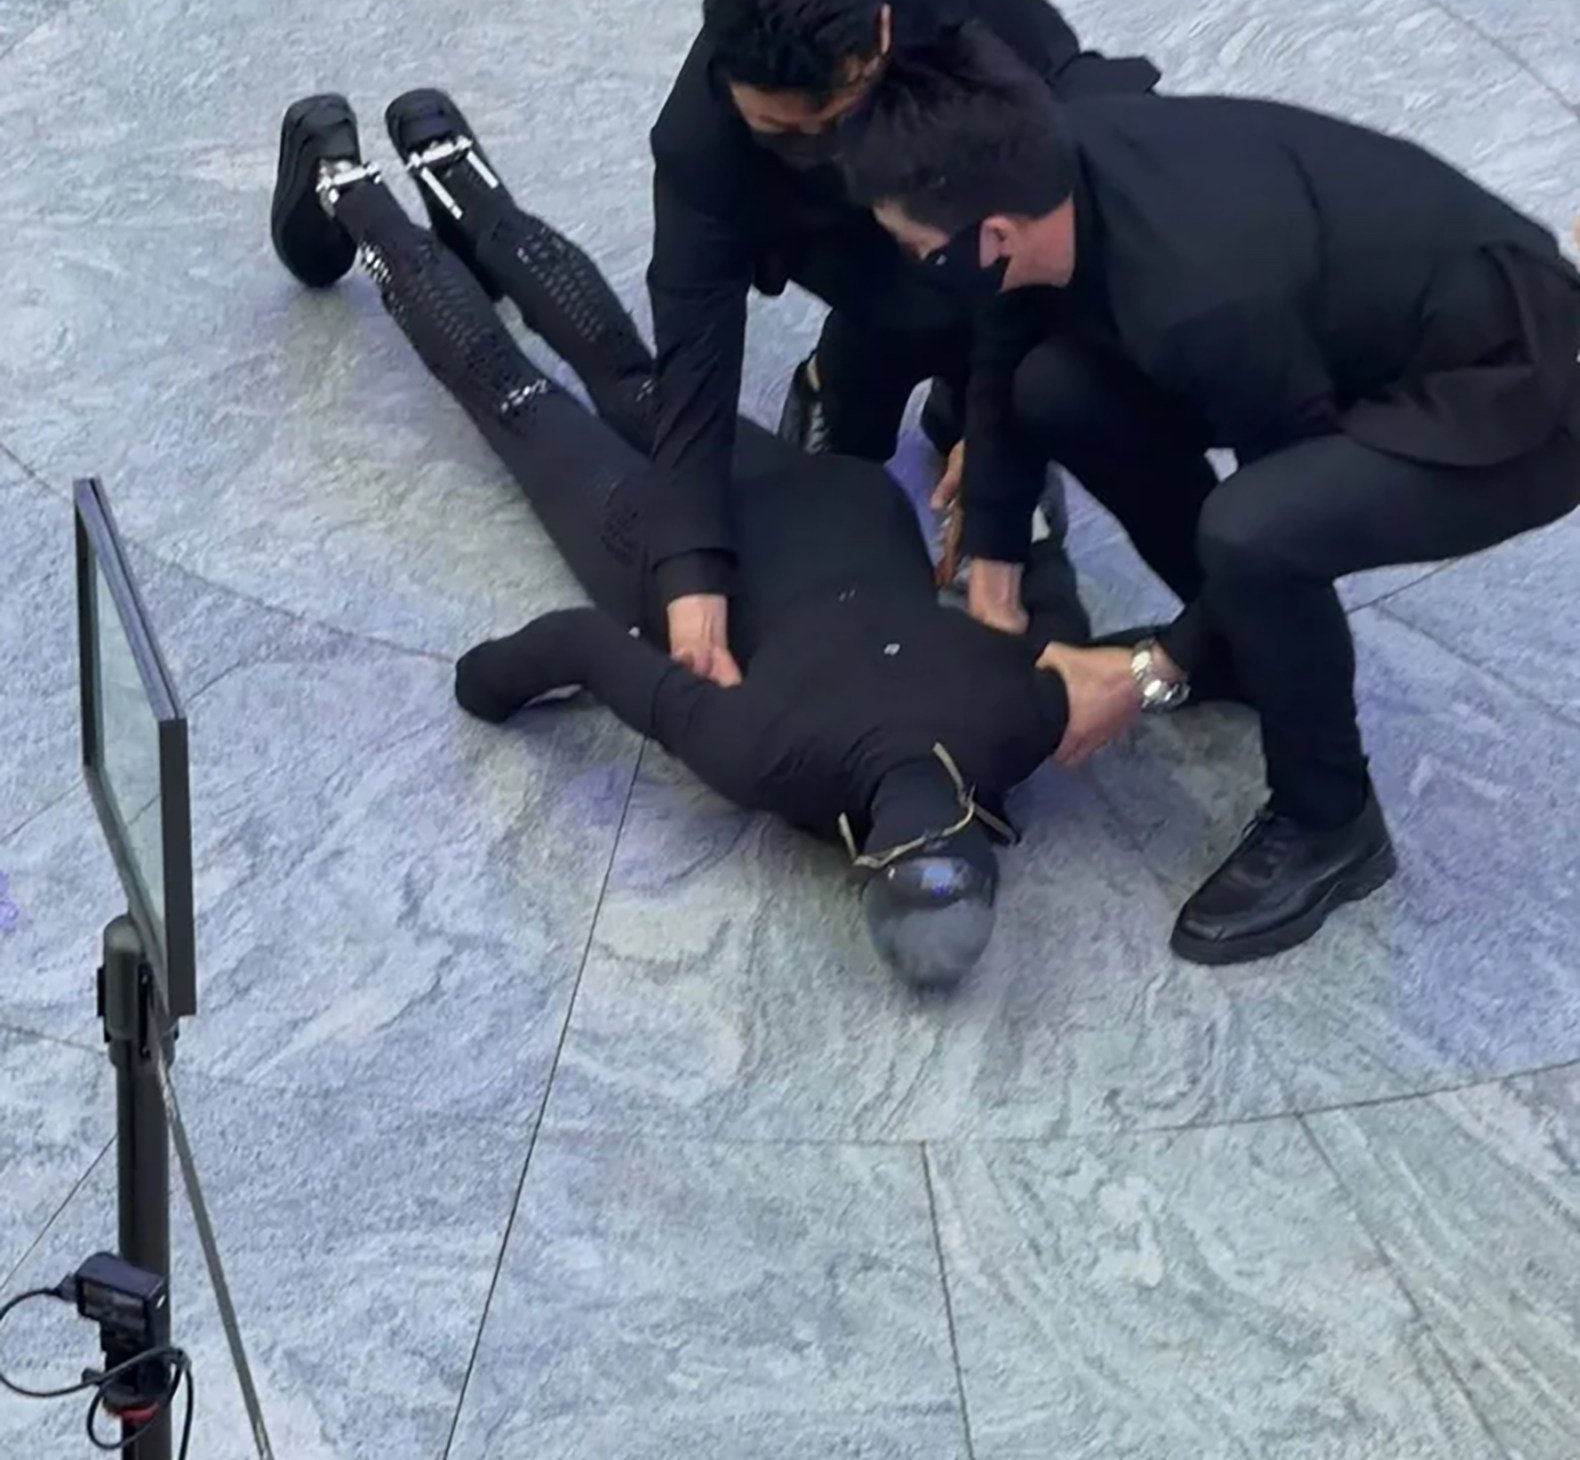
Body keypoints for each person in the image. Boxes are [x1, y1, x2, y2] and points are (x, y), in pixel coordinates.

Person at [267, 88, 1093, 988]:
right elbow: (578, 646)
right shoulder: (770, 757)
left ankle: (448, 161)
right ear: (860, 863)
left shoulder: (1030, 719)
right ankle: (347, 181)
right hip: (664, 549)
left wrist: (1004, 508)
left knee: (628, 372)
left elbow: (1047, 562)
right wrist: (484, 685)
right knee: (513, 394)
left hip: (831, 504)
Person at [843, 26, 1580, 965]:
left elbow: (1291, 497)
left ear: (989, 237)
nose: (908, 259)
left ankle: (1331, 822)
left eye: (913, 245)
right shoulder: (1050, 171)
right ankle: (1242, 653)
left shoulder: (1200, 297)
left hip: (1517, 394)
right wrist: (995, 566)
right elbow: (1004, 337)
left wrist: (1148, 672)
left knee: (1256, 533)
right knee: (1053, 388)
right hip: (1347, 334)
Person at [647, 0, 1160, 687]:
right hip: (822, 231)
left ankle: (964, 405)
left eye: (833, 120)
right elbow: (694, 355)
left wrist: (1000, 434)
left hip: (961, 175)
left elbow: (1048, 161)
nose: (821, 146)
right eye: (785, 130)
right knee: (876, 379)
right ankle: (838, 381)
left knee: (1034, 310)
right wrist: (690, 569)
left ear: (881, 33)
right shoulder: (701, 148)